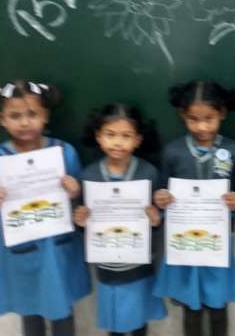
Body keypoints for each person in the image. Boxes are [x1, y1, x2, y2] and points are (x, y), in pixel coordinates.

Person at [0, 80, 91, 336]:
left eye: (33, 114)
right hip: (21, 253)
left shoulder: (65, 152)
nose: (25, 123)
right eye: (15, 116)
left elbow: (81, 198)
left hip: (58, 249)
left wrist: (74, 191)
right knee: (29, 310)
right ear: (2, 119)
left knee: (63, 309)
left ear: (45, 116)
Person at [153, 80, 235, 336]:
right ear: (182, 115)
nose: (202, 127)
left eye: (209, 118)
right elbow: (161, 190)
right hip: (184, 244)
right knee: (190, 308)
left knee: (218, 306)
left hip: (219, 243)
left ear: (222, 113)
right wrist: (161, 199)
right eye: (193, 119)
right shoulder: (172, 151)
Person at [73, 103, 167, 336]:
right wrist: (81, 221)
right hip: (107, 265)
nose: (117, 142)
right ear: (98, 136)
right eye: (110, 134)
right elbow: (84, 224)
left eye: (126, 136)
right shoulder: (89, 175)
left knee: (139, 320)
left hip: (140, 263)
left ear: (138, 140)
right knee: (113, 323)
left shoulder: (148, 173)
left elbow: (158, 221)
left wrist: (156, 219)